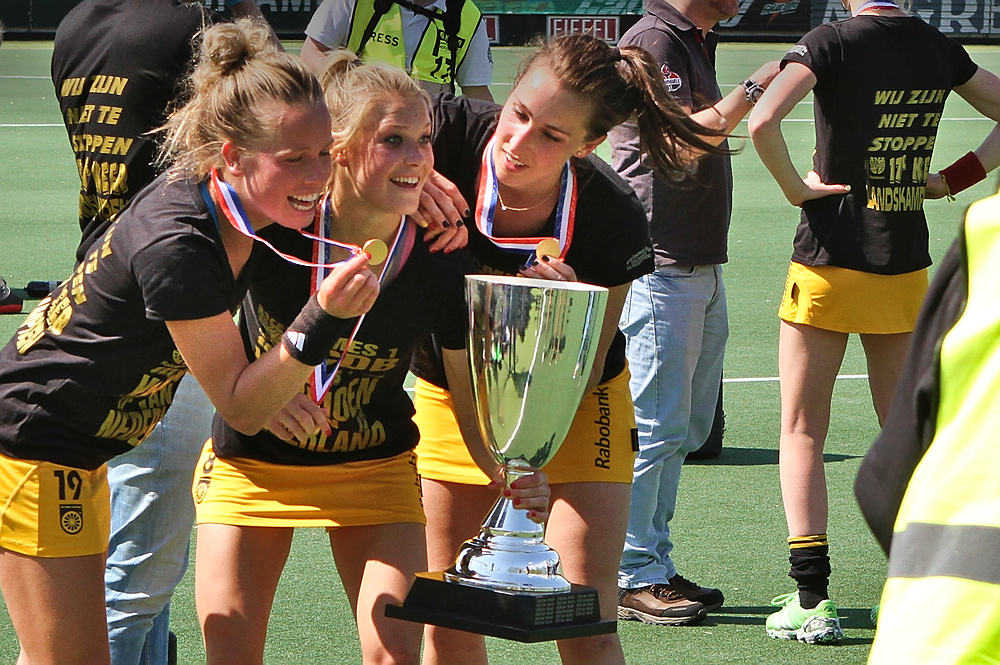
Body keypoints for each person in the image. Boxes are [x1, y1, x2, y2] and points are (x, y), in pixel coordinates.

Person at [0, 19, 380, 665]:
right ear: (231, 156)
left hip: (76, 447)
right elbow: (241, 406)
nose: (319, 176)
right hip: (34, 443)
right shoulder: (179, 239)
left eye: (326, 153)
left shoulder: (243, 203)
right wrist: (321, 319)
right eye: (294, 159)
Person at [190, 51, 548, 665]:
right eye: (392, 140)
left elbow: (465, 392)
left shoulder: (438, 254)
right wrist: (254, 396)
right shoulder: (272, 225)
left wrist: (505, 469)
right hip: (254, 463)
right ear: (337, 149)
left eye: (424, 140)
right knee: (230, 651)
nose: (417, 158)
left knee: (394, 654)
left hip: (374, 468)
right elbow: (193, 322)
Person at [410, 34, 730, 664]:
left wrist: (560, 320)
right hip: (450, 385)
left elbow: (586, 365)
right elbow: (339, 132)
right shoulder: (437, 136)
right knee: (450, 614)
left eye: (552, 136)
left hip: (575, 400)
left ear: (588, 145)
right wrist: (402, 183)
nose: (518, 141)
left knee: (586, 618)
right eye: (519, 113)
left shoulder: (611, 216)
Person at [747, 0, 1000, 644]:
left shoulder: (831, 40)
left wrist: (795, 189)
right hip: (904, 263)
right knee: (906, 435)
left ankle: (812, 598)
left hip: (828, 260)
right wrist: (955, 178)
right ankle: (922, 587)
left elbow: (762, 119)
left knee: (802, 429)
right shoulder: (933, 44)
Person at [49, 3, 277, 663]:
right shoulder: (195, 25)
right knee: (134, 579)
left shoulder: (76, 24)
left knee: (132, 555)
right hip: (175, 311)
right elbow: (275, 112)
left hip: (99, 289)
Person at [608, 0, 779, 626]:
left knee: (684, 427)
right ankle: (631, 573)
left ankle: (651, 561)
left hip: (694, 262)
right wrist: (755, 87)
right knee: (654, 428)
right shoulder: (654, 38)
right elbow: (681, 141)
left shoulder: (691, 37)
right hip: (660, 264)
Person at [300, 0, 494, 101]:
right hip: (358, 121)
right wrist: (353, 90)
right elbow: (312, 53)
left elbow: (476, 90)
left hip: (428, 132)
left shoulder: (468, 15)